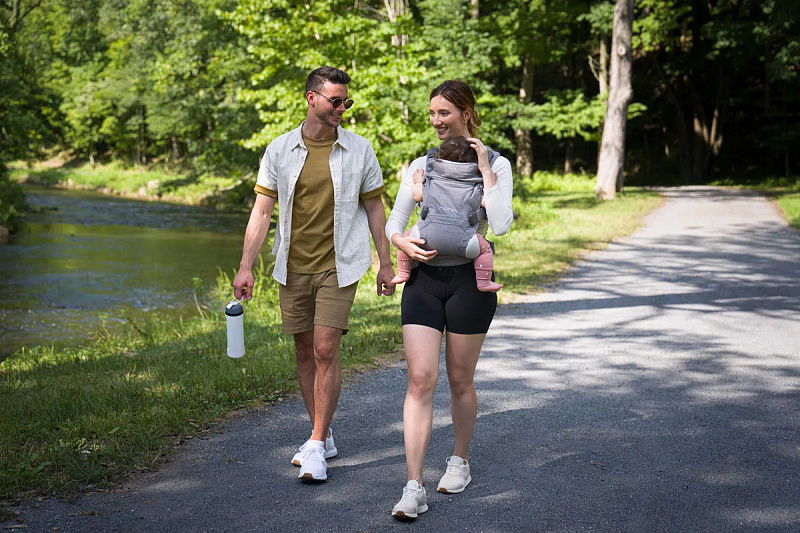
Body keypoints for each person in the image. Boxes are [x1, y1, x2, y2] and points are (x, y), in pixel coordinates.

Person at [232, 66, 395, 483]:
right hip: (292, 266)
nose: (342, 108)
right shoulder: (280, 149)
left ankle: (317, 443)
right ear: (311, 99)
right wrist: (246, 266)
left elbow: (375, 208)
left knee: (325, 349)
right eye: (335, 101)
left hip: (340, 265)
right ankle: (323, 431)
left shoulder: (359, 150)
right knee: (304, 351)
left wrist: (385, 261)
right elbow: (262, 212)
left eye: (346, 102)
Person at [385, 80, 514, 519]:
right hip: (423, 281)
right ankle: (413, 486)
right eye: (432, 113)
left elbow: (501, 225)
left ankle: (459, 461)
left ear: (466, 114)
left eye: (444, 113)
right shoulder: (422, 164)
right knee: (420, 379)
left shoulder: (497, 163)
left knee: (460, 379)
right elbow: (396, 220)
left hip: (468, 285)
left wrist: (486, 171)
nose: (436, 121)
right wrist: (401, 241)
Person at [390, 135, 503, 293]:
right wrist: (491, 182)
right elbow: (487, 203)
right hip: (464, 239)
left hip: (426, 236)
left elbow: (417, 195)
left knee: (405, 241)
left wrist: (418, 182)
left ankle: (403, 273)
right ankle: (484, 282)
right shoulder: (475, 183)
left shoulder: (432, 178)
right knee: (485, 250)